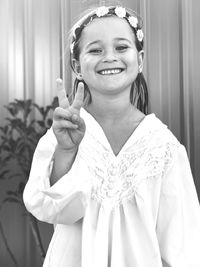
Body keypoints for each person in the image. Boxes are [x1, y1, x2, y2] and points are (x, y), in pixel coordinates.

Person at [23, 5, 200, 267]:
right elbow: (49, 209)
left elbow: (185, 246)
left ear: (139, 60)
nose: (109, 57)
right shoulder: (62, 135)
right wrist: (66, 152)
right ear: (77, 66)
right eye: (95, 50)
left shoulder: (164, 146)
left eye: (121, 47)